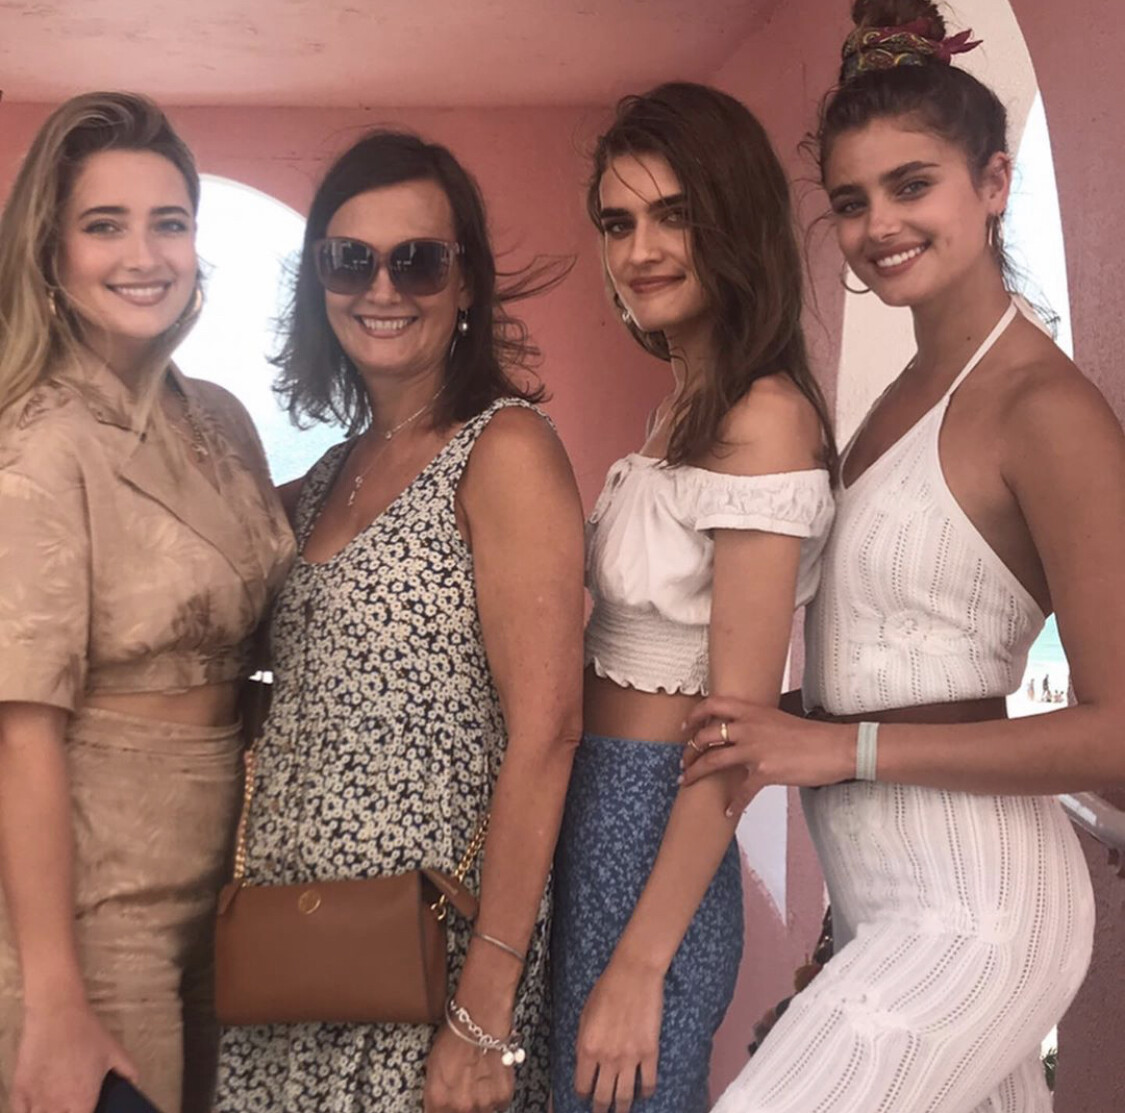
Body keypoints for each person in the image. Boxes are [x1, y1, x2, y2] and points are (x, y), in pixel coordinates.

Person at [681, 3, 1125, 1109]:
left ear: (994, 181)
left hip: (978, 909)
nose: (878, 224)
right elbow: (897, 654)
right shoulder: (896, 399)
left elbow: (1118, 729)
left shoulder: (1045, 411)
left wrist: (838, 749)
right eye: (850, 200)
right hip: (882, 897)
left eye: (911, 185)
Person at [215, 130, 585, 1113]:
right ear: (318, 281)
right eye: (350, 259)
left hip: (428, 962)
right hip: (296, 951)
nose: (381, 288)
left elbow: (548, 733)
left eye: (417, 260)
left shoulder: (503, 450)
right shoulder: (329, 474)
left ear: (466, 284)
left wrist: (484, 1008)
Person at [0, 93, 295, 1113]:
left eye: (168, 222)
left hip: (230, 886)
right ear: (50, 253)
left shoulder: (220, 418)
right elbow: (20, 736)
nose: (144, 255)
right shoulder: (36, 443)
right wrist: (54, 1000)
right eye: (104, 225)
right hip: (90, 911)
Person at [551, 83, 836, 1113]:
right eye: (617, 223)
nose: (640, 249)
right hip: (596, 813)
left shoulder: (764, 417)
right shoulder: (684, 408)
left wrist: (640, 965)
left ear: (733, 217)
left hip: (653, 830)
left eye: (673, 215)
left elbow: (735, 732)